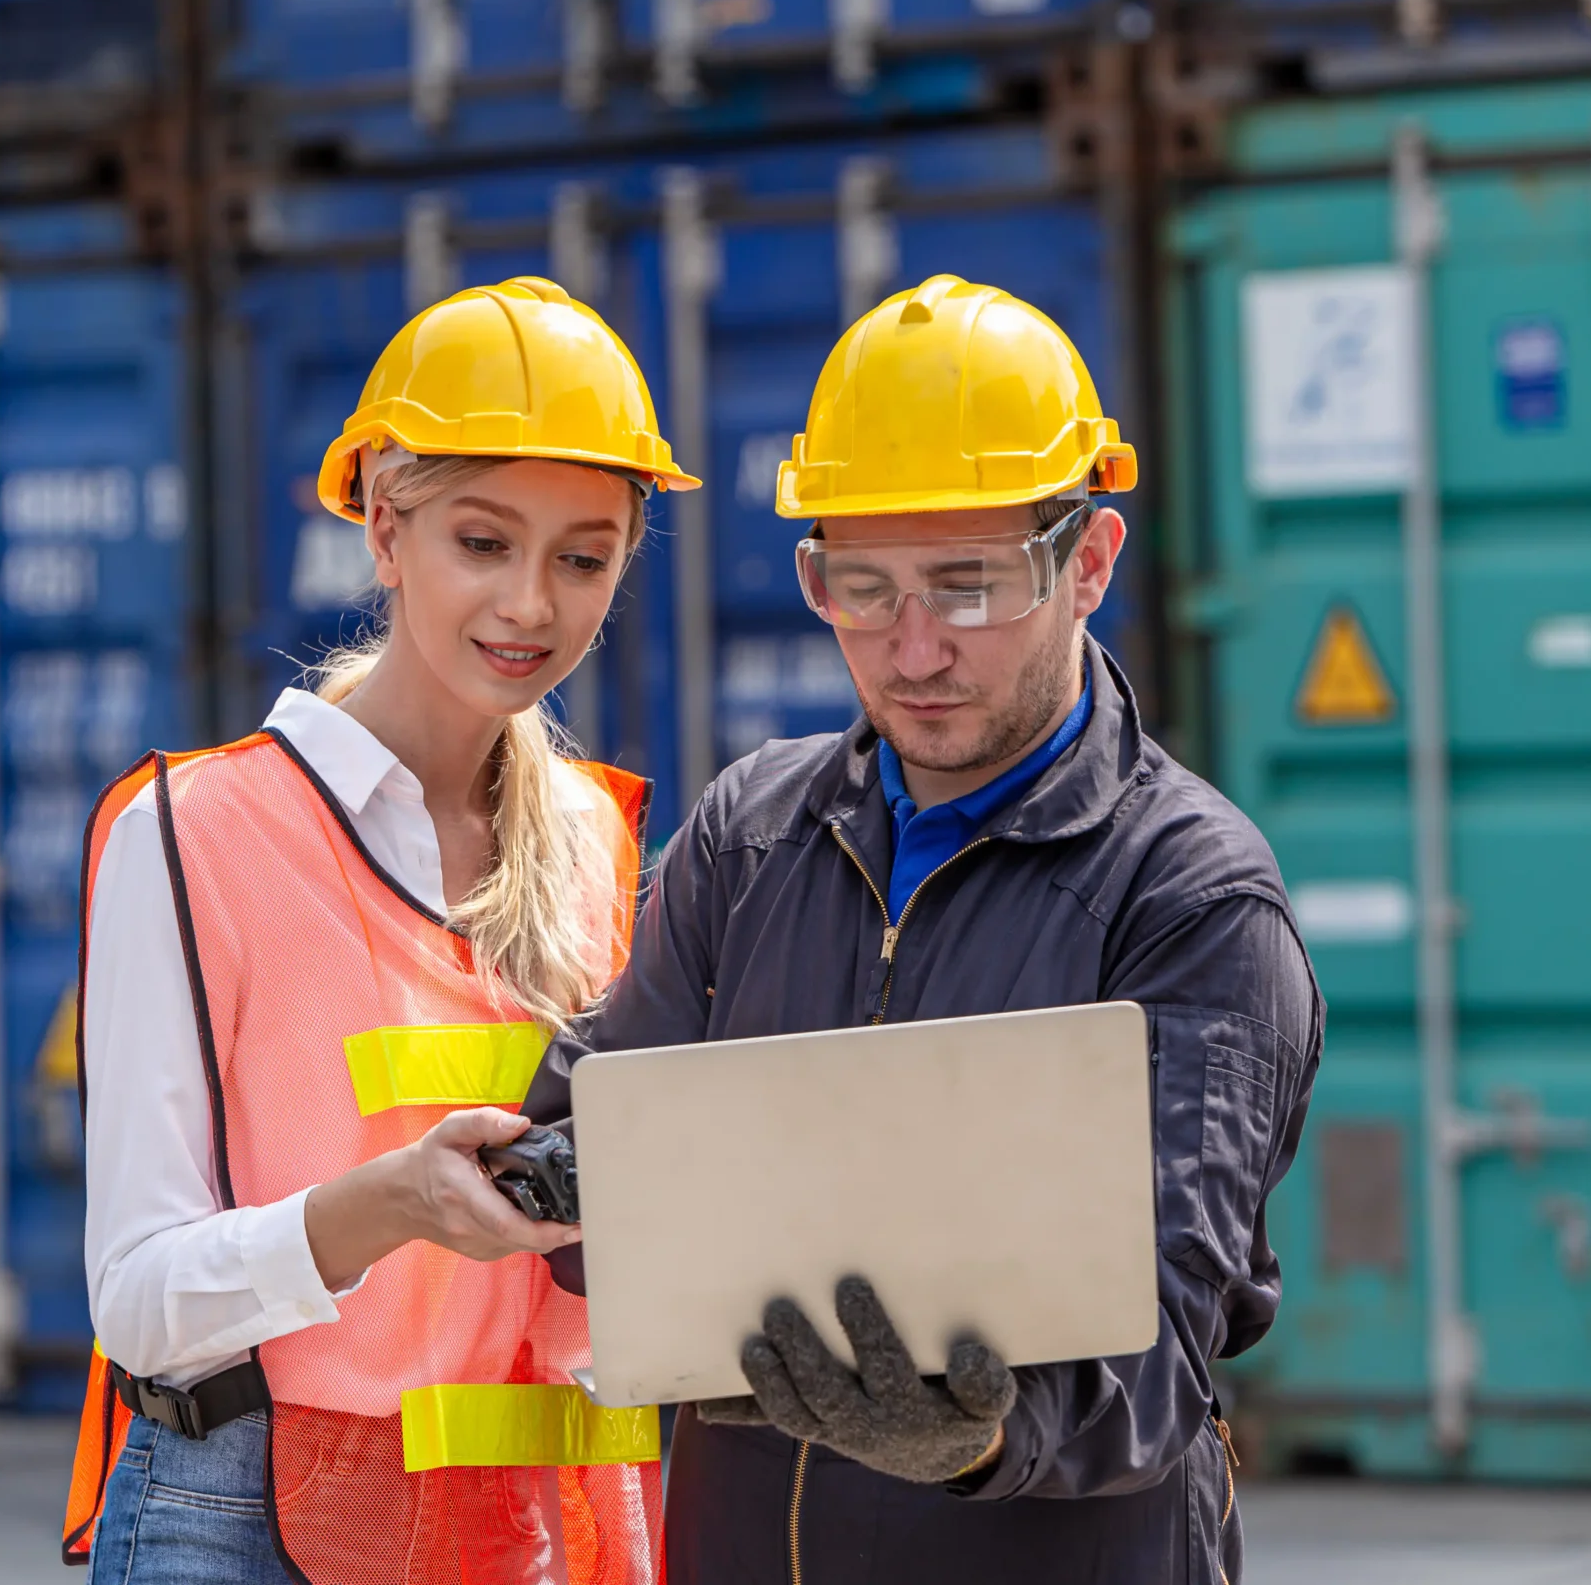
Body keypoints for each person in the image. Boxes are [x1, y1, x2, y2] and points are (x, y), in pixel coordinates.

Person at [521, 274, 1323, 1583]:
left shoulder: (1191, 895)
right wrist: (552, 1175)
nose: (913, 649)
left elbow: (1165, 1350)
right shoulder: (748, 837)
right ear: (809, 575)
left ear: (1092, 563)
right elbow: (607, 1160)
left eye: (969, 584)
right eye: (864, 587)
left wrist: (973, 1433)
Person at [60, 277, 699, 1583]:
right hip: (250, 1516)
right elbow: (134, 1298)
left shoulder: (600, 841)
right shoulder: (195, 831)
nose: (531, 602)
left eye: (582, 557)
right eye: (482, 540)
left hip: (545, 1526)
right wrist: (387, 1205)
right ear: (384, 526)